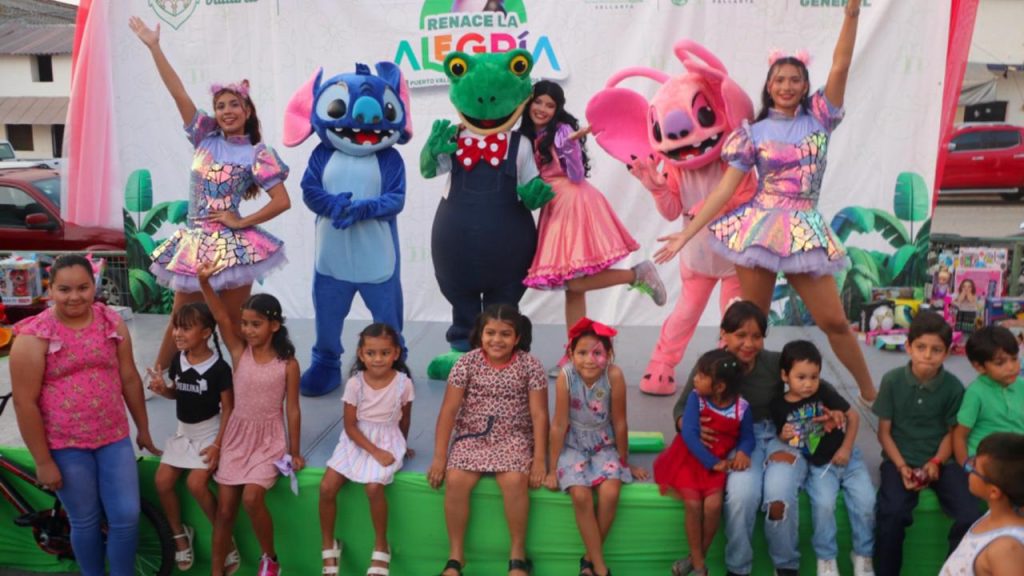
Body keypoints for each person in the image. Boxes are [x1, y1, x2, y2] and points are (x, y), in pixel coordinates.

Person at [652, 0, 876, 405]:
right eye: (780, 79)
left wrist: (851, 15)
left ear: (805, 86)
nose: (787, 86)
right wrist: (685, 235)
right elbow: (724, 191)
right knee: (747, 330)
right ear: (769, 86)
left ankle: (870, 391)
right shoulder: (751, 133)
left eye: (795, 79)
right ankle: (727, 400)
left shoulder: (820, 118)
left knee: (834, 321)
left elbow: (841, 66)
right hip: (758, 230)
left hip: (804, 229)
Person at [129, 17, 292, 373]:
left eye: (234, 104)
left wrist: (242, 222)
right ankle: (159, 376)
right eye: (221, 106)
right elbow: (178, 93)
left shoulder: (257, 153)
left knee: (232, 324)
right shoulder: (204, 137)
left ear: (247, 111)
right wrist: (154, 47)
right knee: (182, 320)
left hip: (234, 249)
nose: (227, 111)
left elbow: (282, 201)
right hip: (196, 243)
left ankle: (245, 381)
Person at [10, 254, 160, 576]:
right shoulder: (34, 335)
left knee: (126, 516)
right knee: (85, 520)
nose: (74, 296)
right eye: (64, 289)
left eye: (83, 287)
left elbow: (129, 377)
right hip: (65, 446)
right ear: (51, 289)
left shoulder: (111, 322)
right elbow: (24, 403)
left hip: (113, 437)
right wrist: (43, 461)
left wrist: (143, 428)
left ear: (94, 286)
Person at [671, 300, 844, 576]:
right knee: (742, 495)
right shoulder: (711, 365)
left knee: (779, 494)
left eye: (756, 336)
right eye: (741, 335)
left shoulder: (774, 363)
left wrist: (834, 409)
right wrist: (689, 426)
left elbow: (812, 382)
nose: (749, 344)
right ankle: (738, 568)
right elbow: (680, 408)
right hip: (739, 441)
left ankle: (786, 566)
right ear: (724, 334)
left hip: (780, 436)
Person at [519, 81, 666, 336]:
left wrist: (569, 148)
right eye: (538, 102)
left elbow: (576, 176)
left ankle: (636, 274)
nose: (542, 109)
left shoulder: (562, 131)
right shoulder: (526, 135)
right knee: (573, 288)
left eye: (550, 105)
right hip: (554, 206)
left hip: (573, 203)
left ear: (557, 109)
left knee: (575, 283)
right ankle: (575, 349)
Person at [197, 263, 303, 576]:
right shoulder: (239, 352)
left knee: (253, 498)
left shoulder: (288, 364)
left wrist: (294, 451)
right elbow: (221, 316)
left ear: (274, 325)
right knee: (224, 512)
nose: (248, 330)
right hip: (236, 438)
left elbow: (293, 409)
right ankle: (216, 571)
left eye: (255, 324)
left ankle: (270, 558)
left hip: (268, 441)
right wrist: (205, 283)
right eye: (245, 324)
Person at [428, 304, 549, 576]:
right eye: (490, 333)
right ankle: (455, 557)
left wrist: (540, 460)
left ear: (517, 338)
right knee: (456, 480)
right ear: (480, 335)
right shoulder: (466, 363)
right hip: (472, 436)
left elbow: (540, 414)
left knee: (515, 481)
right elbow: (448, 411)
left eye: (505, 334)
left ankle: (517, 555)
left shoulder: (530, 366)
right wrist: (439, 457)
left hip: (513, 436)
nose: (497, 340)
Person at [873, 311, 982, 576]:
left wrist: (936, 462)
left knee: (970, 515)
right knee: (891, 514)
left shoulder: (953, 387)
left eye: (936, 350)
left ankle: (953, 571)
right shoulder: (892, 381)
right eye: (921, 347)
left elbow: (951, 433)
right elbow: (884, 433)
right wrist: (901, 467)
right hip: (899, 460)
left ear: (947, 353)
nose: (927, 355)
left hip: (942, 461)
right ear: (908, 347)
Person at [546, 318, 648, 576]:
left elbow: (620, 422)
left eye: (597, 353)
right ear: (571, 354)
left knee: (611, 492)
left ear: (608, 355)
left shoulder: (614, 375)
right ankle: (600, 567)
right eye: (582, 353)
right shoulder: (566, 376)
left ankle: (588, 560)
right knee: (580, 495)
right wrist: (551, 468)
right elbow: (559, 424)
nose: (589, 360)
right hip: (573, 444)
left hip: (604, 443)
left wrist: (624, 461)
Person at [768, 340, 875, 576]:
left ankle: (863, 555)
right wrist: (784, 434)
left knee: (866, 502)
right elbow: (782, 435)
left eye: (814, 377)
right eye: (801, 377)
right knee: (824, 506)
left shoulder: (823, 392)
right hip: (820, 467)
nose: (808, 384)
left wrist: (846, 449)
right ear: (785, 375)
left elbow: (853, 417)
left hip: (850, 459)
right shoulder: (777, 406)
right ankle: (826, 559)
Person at [145, 302, 238, 573]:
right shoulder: (178, 360)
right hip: (183, 433)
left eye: (185, 328)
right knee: (162, 481)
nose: (177, 333)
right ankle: (179, 535)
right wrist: (163, 390)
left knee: (197, 484)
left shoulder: (220, 369)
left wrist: (218, 445)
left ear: (206, 332)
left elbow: (229, 408)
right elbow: (178, 393)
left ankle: (224, 540)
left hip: (209, 434)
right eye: (176, 327)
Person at [318, 323, 414, 576]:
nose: (377, 359)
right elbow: (350, 426)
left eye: (385, 353)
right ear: (361, 354)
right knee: (326, 487)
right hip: (356, 440)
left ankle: (381, 546)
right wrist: (374, 452)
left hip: (388, 439)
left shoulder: (403, 384)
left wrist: (402, 446)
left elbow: (405, 419)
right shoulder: (355, 384)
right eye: (371, 353)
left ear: (396, 353)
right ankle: (328, 544)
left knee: (373, 487)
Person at [655, 349, 753, 576]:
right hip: (690, 458)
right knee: (693, 504)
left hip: (716, 463)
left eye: (701, 376)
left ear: (719, 387)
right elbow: (689, 434)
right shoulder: (695, 399)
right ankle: (700, 567)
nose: (695, 379)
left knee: (714, 506)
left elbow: (747, 436)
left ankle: (695, 557)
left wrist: (743, 451)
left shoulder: (741, 408)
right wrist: (711, 462)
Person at [940, 432, 1024, 576]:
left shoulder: (1006, 549)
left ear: (994, 492)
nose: (968, 468)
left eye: (974, 468)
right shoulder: (994, 513)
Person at [954, 326, 1024, 466]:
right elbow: (960, 435)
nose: (1011, 367)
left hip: (1017, 455)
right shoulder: (976, 393)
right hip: (987, 461)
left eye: (1014, 359)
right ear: (979, 367)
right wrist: (966, 465)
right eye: (1000, 363)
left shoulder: (1021, 385)